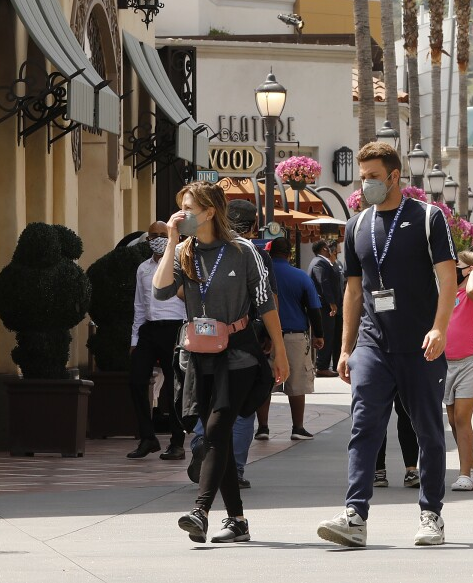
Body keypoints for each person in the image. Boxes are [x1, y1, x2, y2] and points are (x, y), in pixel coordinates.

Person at [317, 142, 457, 548]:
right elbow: (353, 291)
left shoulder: (429, 217)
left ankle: (431, 514)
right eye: (363, 177)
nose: (366, 185)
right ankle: (354, 515)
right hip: (373, 345)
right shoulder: (356, 225)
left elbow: (447, 279)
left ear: (395, 176)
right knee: (364, 428)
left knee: (429, 431)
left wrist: (439, 328)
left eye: (374, 177)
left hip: (420, 345)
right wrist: (346, 349)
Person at [154, 181, 289, 544]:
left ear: (210, 211)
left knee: (215, 431)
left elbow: (266, 303)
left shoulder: (243, 251)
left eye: (189, 209)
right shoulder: (183, 251)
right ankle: (238, 520)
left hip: (240, 354)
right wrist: (170, 241)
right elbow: (160, 290)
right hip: (198, 356)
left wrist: (279, 350)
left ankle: (200, 511)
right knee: (219, 437)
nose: (182, 215)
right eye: (180, 208)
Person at [128, 222, 189, 460]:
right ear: (148, 240)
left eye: (163, 235)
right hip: (149, 330)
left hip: (175, 329)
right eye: (154, 236)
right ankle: (148, 437)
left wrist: (186, 335)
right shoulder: (143, 268)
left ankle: (177, 442)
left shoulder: (181, 264)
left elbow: (191, 301)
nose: (158, 239)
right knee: (136, 381)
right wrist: (134, 339)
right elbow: (139, 306)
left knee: (175, 387)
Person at [264, 236, 326, 440]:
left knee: (264, 383)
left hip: (265, 337)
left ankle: (262, 428)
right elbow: (314, 308)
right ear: (289, 254)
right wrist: (319, 335)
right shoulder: (300, 276)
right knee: (297, 383)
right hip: (294, 337)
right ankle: (297, 428)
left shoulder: (263, 274)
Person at [446, 251, 473, 490]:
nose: (453, 267)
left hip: (472, 361)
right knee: (453, 419)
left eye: (459, 265)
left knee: (462, 417)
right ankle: (471, 463)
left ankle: (465, 474)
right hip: (447, 362)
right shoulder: (449, 293)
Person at [310, 240, 344, 376]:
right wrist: (332, 303)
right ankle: (322, 366)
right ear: (325, 249)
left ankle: (334, 365)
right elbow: (323, 283)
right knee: (327, 335)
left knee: (333, 335)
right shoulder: (319, 263)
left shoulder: (329, 263)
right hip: (324, 307)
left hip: (329, 307)